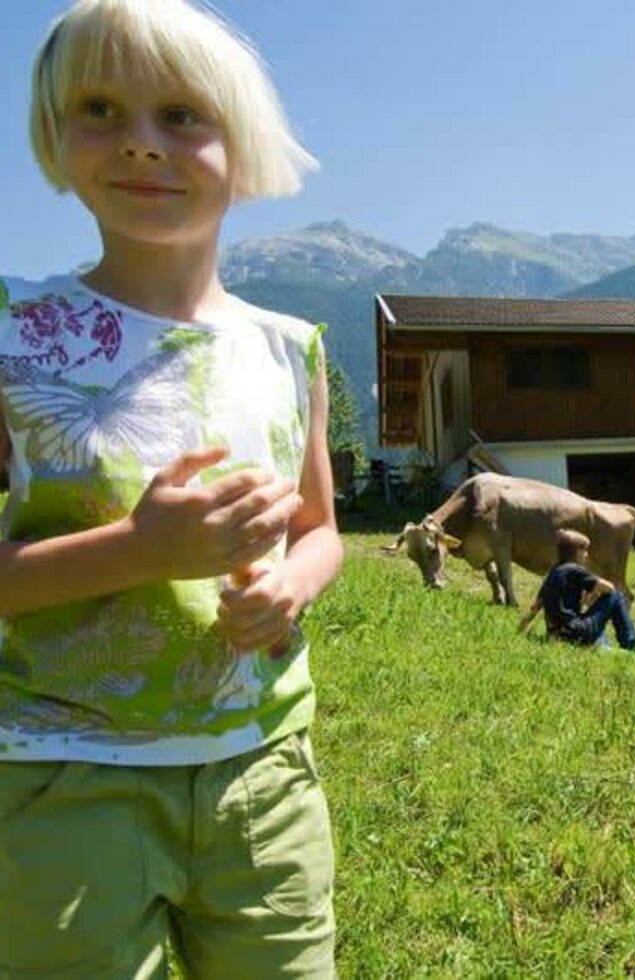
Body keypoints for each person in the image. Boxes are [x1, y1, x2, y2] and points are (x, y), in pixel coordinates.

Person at [0, 1, 342, 975]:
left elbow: (321, 528)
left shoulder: (291, 349)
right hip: (64, 780)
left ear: (244, 143)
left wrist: (295, 584)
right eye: (100, 109)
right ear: (54, 138)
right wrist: (140, 552)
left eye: (183, 116)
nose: (142, 145)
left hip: (263, 769)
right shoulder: (14, 332)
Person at [517, 529, 635, 651]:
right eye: (584, 550)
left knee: (591, 619)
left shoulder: (552, 574)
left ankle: (602, 648)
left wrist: (519, 631)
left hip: (557, 634)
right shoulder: (575, 569)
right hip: (575, 632)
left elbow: (535, 607)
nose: (586, 554)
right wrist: (592, 592)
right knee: (616, 596)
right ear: (575, 552)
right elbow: (610, 588)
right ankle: (630, 644)